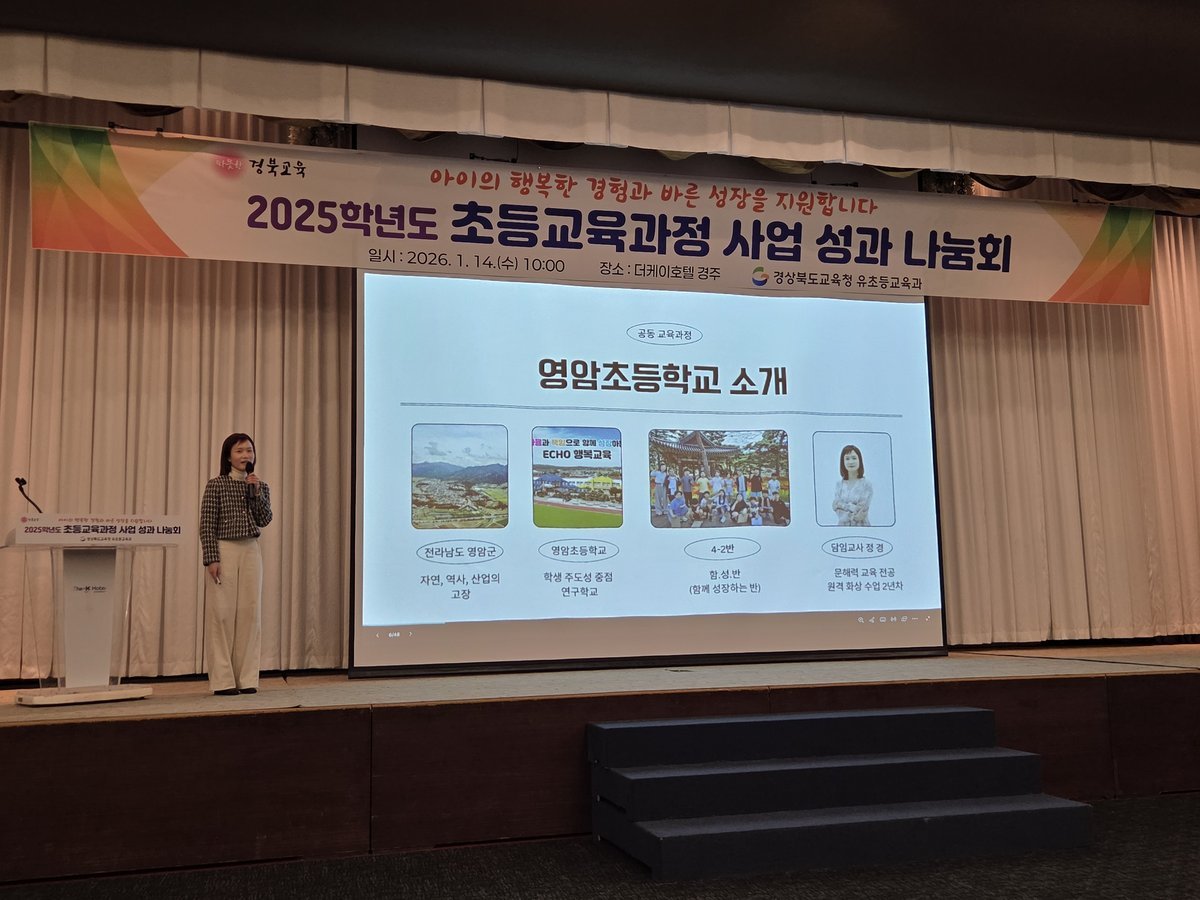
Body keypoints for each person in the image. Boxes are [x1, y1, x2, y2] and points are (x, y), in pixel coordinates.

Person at [200, 432, 273, 696]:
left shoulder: (260, 486)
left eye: (249, 450)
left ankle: (247, 679)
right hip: (225, 549)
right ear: (228, 456)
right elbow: (207, 524)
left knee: (250, 613)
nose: (245, 455)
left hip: (251, 549)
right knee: (222, 614)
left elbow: (264, 519)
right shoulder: (216, 485)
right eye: (239, 451)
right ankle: (223, 681)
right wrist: (211, 558)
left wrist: (256, 493)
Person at [833, 444, 872, 526]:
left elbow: (860, 512)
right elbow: (836, 509)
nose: (851, 462)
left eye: (854, 458)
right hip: (841, 528)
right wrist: (850, 508)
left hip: (862, 527)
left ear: (859, 460)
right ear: (843, 462)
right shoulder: (839, 485)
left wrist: (842, 505)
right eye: (847, 459)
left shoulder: (866, 484)